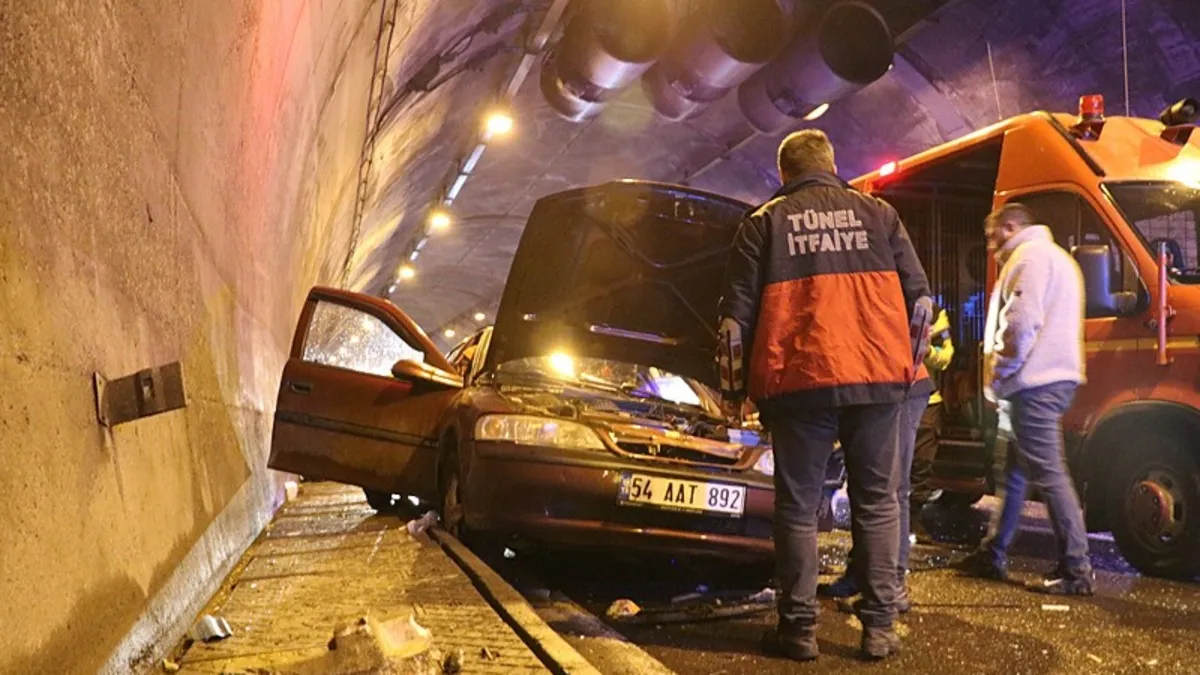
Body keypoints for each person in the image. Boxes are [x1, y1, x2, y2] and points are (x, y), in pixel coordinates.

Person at [717, 129, 932, 661]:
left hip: (800, 384)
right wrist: (904, 370)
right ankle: (879, 628)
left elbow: (733, 325)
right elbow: (921, 304)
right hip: (877, 382)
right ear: (832, 166)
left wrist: (733, 392)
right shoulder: (880, 215)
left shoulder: (764, 223)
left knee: (797, 508)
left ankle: (798, 630)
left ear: (784, 173)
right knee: (878, 502)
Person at [953, 203, 1093, 595]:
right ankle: (993, 552)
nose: (990, 246)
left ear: (1011, 227)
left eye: (992, 236)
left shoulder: (1029, 258)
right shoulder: (1058, 259)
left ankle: (1077, 570)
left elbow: (1020, 323)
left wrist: (997, 373)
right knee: (1015, 472)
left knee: (1049, 473)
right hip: (1048, 381)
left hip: (1033, 384)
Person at [816, 354, 935, 611]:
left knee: (891, 487)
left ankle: (891, 587)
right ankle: (863, 576)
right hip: (879, 380)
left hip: (899, 383)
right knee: (871, 486)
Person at [910, 303, 954, 541]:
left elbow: (947, 355)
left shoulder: (936, 315)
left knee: (922, 463)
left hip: (928, 400)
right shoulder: (889, 305)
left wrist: (927, 352)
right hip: (895, 399)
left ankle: (913, 518)